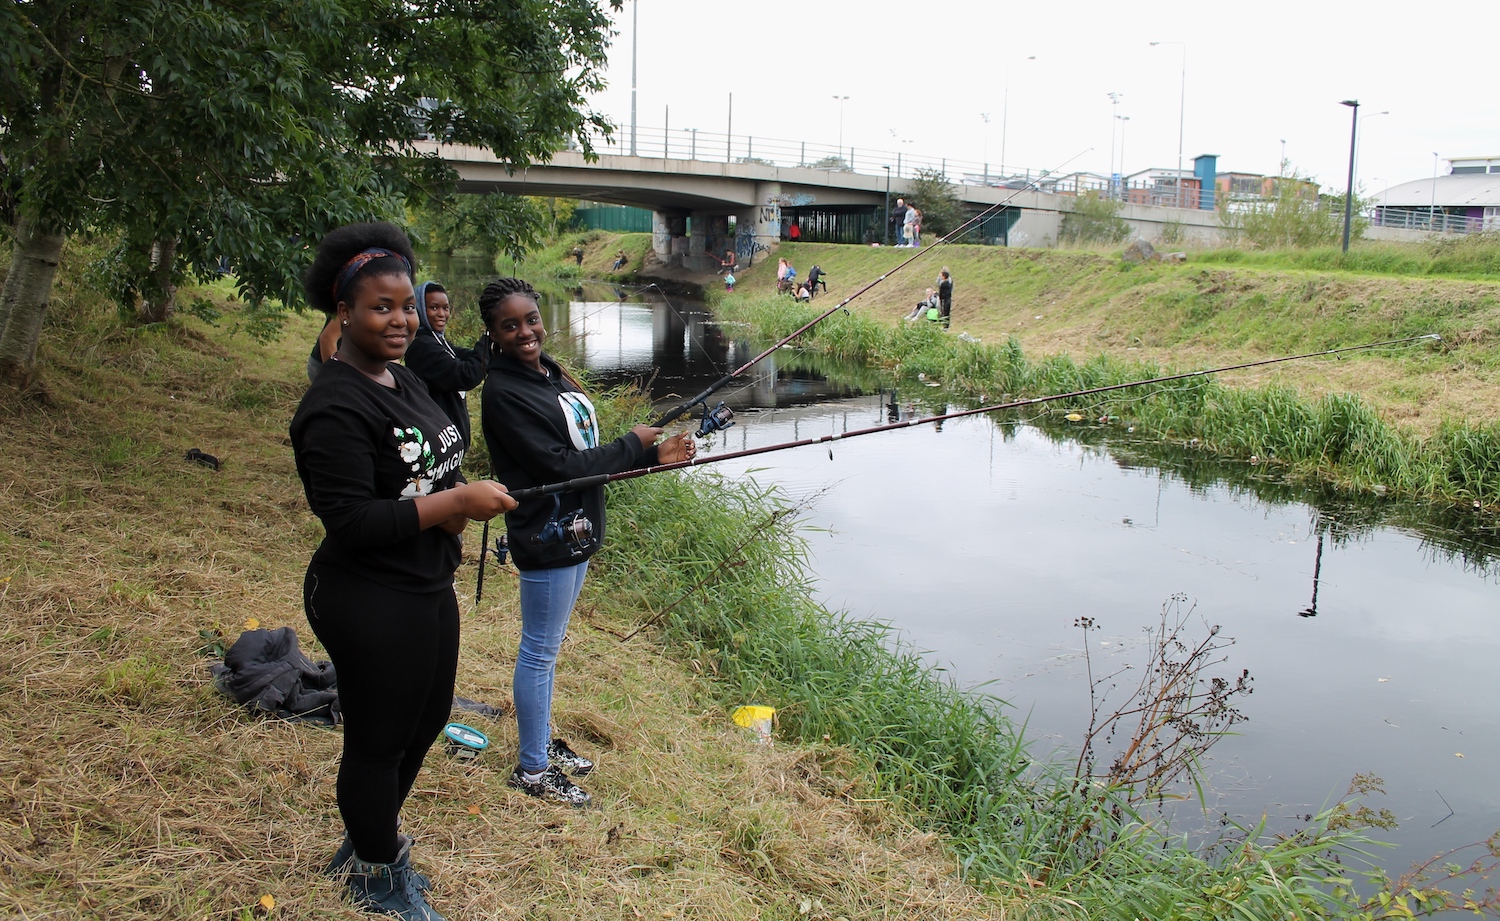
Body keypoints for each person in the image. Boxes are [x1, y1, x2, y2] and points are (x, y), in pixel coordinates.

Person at [290, 222, 516, 920]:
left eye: (406, 304)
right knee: (378, 740)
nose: (399, 318)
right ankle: (376, 873)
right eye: (380, 307)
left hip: (425, 581)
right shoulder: (333, 404)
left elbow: (428, 468)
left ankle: (366, 842)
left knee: (427, 721)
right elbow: (352, 520)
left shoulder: (406, 374)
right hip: (366, 593)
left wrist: (454, 503)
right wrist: (453, 502)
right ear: (344, 314)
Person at [478, 277, 694, 808]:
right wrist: (634, 443)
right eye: (511, 325)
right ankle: (532, 770)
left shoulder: (548, 371)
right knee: (539, 650)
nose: (525, 331)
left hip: (576, 527)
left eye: (530, 319)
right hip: (546, 532)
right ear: (493, 333)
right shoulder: (504, 392)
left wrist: (650, 455)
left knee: (549, 650)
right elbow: (560, 467)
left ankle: (540, 743)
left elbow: (582, 451)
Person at [403, 282, 489, 452]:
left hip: (450, 442)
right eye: (434, 308)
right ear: (418, 308)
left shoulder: (436, 339)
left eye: (446, 308)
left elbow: (467, 356)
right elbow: (466, 375)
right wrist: (488, 338)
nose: (442, 314)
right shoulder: (422, 346)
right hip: (439, 443)